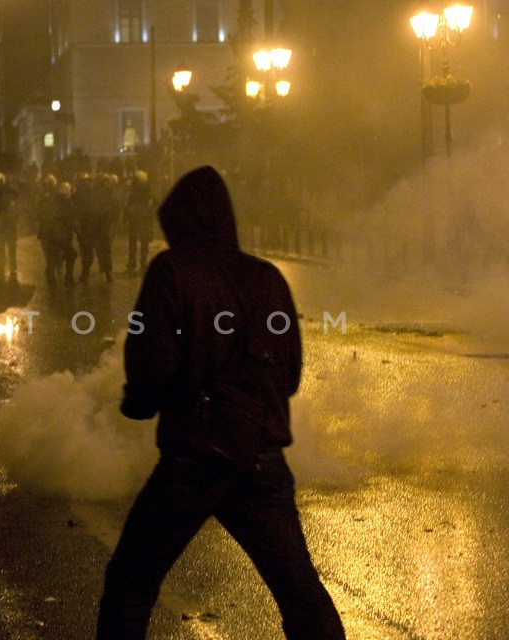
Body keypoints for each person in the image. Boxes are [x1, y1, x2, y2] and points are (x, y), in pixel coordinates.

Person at [97, 166, 345, 640]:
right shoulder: (266, 277)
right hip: (259, 457)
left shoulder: (171, 272)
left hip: (194, 456)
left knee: (131, 582)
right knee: (300, 594)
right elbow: (289, 374)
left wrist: (139, 402)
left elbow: (154, 361)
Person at [125, 170, 155, 273]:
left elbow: (128, 204)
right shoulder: (148, 190)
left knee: (133, 242)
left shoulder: (133, 190)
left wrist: (127, 217)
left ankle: (132, 261)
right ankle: (143, 262)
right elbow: (153, 204)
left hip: (135, 219)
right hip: (145, 220)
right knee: (144, 242)